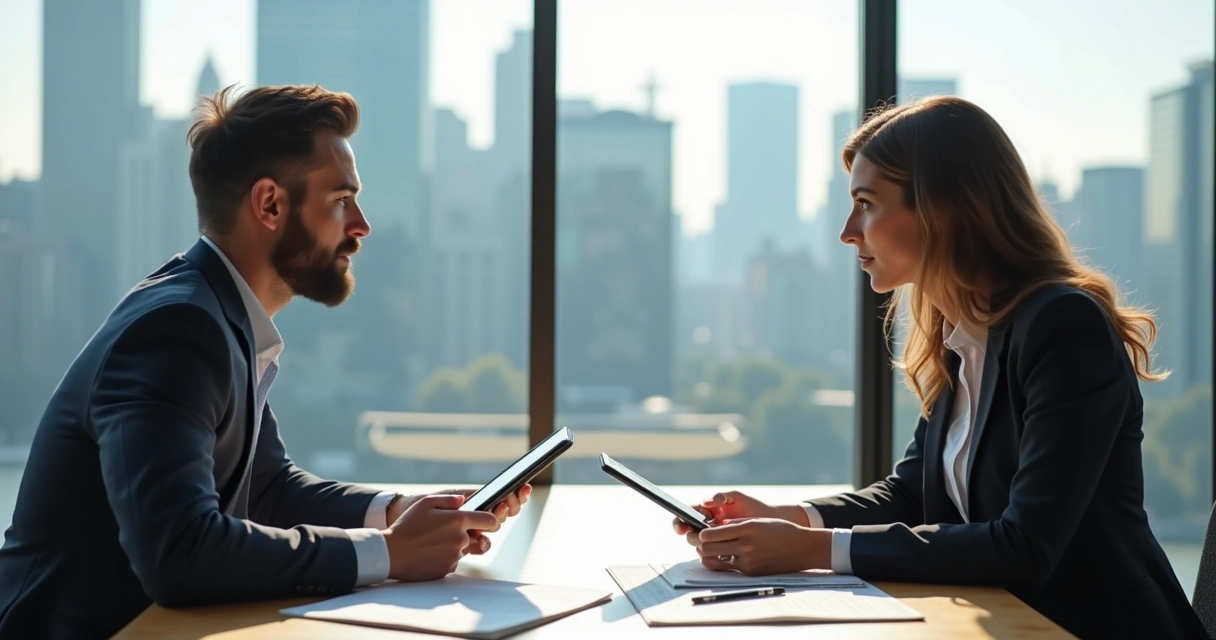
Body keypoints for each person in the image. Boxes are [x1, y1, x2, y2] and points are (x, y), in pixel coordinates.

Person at [0, 84, 529, 639]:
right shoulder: (176, 331)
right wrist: (391, 553)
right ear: (270, 204)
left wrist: (400, 511)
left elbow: (269, 488)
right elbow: (179, 554)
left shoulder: (216, 315)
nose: (361, 225)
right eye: (340, 199)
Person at [674, 96, 1208, 639]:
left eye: (866, 203)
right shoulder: (961, 333)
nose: (847, 230)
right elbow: (912, 494)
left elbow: (1024, 546)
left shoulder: (1064, 326)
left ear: (942, 209)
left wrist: (811, 549)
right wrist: (788, 517)